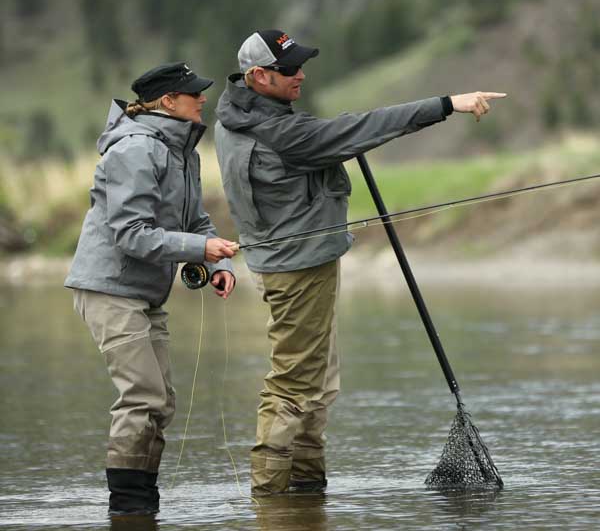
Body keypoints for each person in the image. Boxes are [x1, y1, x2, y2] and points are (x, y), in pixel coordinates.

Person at [214, 29, 506, 496]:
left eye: (300, 65)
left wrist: (338, 140)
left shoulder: (236, 117)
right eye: (289, 70)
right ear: (258, 76)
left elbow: (329, 138)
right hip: (298, 267)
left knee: (316, 381)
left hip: (290, 261)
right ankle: (269, 499)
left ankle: (306, 494)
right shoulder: (281, 131)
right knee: (293, 385)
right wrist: (448, 104)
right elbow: (349, 131)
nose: (301, 75)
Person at [65, 62, 238, 515]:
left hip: (145, 293)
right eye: (193, 93)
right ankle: (128, 507)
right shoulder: (135, 150)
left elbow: (194, 219)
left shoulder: (184, 151)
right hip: (109, 289)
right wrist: (200, 246)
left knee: (161, 402)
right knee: (143, 397)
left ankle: (142, 507)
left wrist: (210, 258)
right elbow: (132, 233)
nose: (203, 98)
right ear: (167, 102)